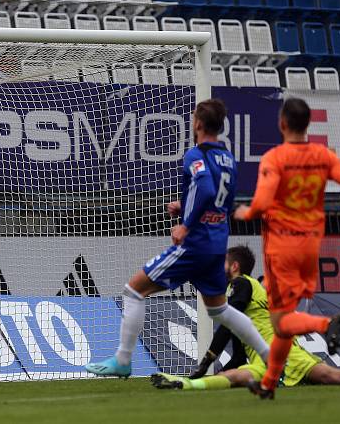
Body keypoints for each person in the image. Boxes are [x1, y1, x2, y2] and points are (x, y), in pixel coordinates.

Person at [85, 99, 270, 377]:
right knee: (219, 311)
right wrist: (186, 205)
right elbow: (223, 200)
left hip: (195, 244)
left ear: (197, 124)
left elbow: (206, 189)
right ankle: (271, 356)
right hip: (217, 244)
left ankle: (123, 360)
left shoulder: (195, 155)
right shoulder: (228, 158)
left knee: (134, 290)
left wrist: (186, 223)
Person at [234, 97, 340, 399]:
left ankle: (328, 324)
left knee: (281, 321)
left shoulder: (275, 158)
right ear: (308, 123)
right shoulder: (323, 155)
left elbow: (261, 203)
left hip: (282, 247)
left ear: (282, 123)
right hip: (311, 246)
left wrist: (244, 213)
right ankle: (270, 382)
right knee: (284, 324)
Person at [151, 245, 340, 391]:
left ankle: (190, 382)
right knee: (234, 376)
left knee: (337, 378)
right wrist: (213, 370)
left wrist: (207, 360)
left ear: (235, 266)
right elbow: (239, 353)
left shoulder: (242, 283)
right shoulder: (246, 289)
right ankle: (186, 384)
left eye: (224, 262)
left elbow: (228, 325)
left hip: (282, 352)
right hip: (261, 358)